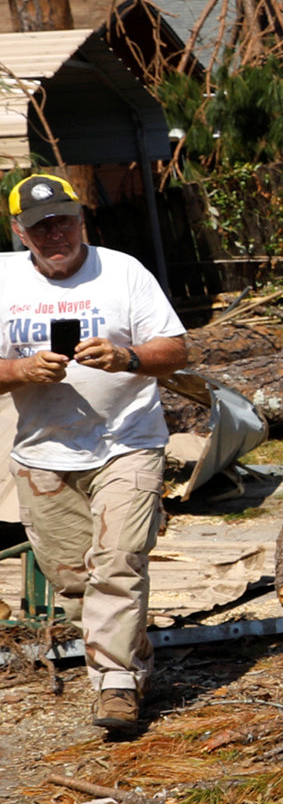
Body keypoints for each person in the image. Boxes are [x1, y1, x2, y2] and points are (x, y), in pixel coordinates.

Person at [0, 172, 190, 733]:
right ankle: (132, 664)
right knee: (77, 582)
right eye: (39, 226)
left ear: (81, 217)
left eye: (62, 219)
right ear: (19, 230)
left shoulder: (122, 271)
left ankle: (115, 686)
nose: (53, 233)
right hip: (43, 453)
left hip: (126, 443)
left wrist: (127, 358)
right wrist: (19, 370)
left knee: (118, 561)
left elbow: (177, 348)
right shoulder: (4, 280)